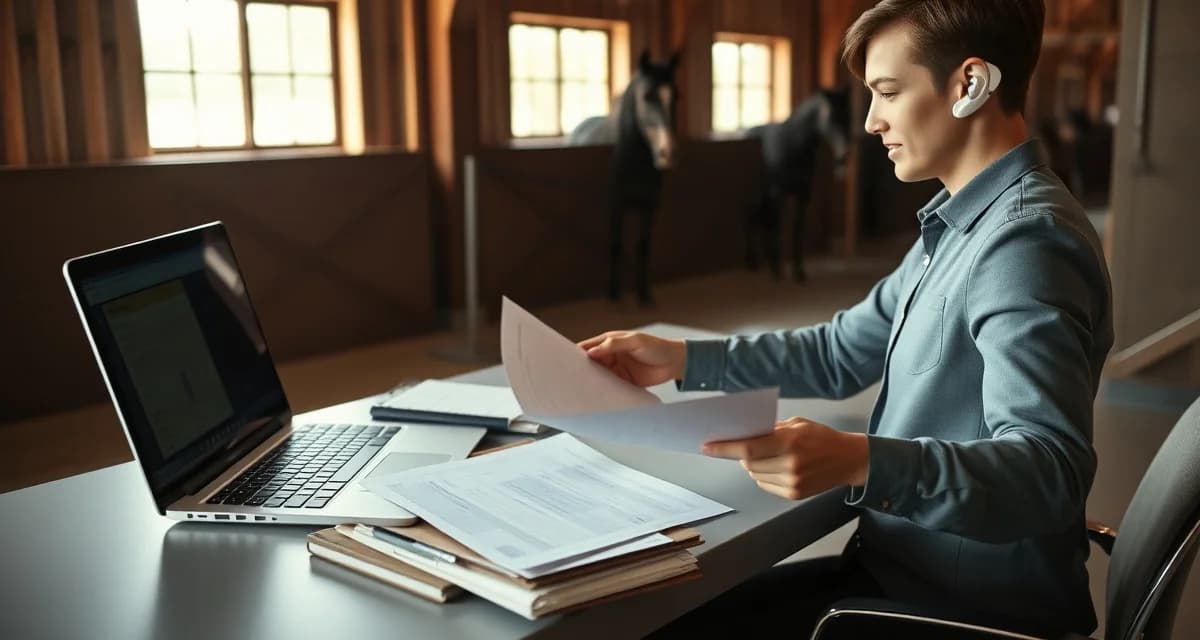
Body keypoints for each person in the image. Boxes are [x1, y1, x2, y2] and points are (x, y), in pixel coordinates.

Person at [579, 1, 1112, 637]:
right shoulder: (960, 222)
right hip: (900, 572)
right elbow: (838, 353)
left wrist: (862, 461)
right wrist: (683, 359)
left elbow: (1049, 472)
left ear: (969, 85)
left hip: (960, 614)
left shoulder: (1024, 244)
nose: (870, 120)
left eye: (888, 91)